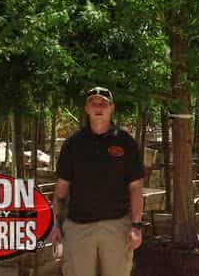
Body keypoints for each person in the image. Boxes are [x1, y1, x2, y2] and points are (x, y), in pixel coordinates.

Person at [50, 86, 144, 276]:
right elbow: (61, 189)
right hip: (78, 228)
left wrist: (136, 226)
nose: (98, 107)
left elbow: (136, 188)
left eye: (103, 103)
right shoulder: (73, 144)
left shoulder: (126, 143)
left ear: (112, 108)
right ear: (87, 108)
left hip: (117, 227)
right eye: (94, 103)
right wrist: (56, 226)